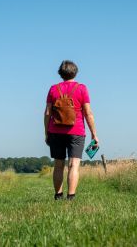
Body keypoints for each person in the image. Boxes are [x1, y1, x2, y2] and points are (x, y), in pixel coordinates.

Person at [44, 60, 99, 200]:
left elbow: (47, 113)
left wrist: (47, 132)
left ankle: (58, 196)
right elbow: (88, 113)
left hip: (55, 131)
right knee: (74, 164)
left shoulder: (53, 89)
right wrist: (94, 134)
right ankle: (71, 197)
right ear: (75, 72)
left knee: (58, 164)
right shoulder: (82, 88)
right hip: (77, 131)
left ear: (60, 73)